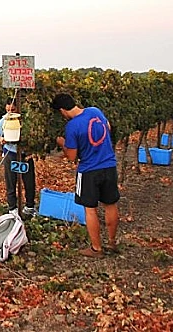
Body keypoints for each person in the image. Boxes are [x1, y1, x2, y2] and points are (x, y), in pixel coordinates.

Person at [51, 93, 120, 258]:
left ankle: (97, 249)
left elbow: (72, 157)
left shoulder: (72, 126)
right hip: (109, 165)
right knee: (110, 204)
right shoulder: (94, 111)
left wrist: (62, 143)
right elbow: (108, 127)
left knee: (90, 209)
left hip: (89, 171)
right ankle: (111, 242)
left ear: (62, 111)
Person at [0, 98, 36, 217]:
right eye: (8, 109)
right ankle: (12, 208)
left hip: (25, 154)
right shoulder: (3, 120)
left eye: (13, 109)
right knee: (10, 181)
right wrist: (1, 139)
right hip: (10, 153)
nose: (10, 111)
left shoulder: (26, 121)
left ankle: (29, 206)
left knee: (29, 181)